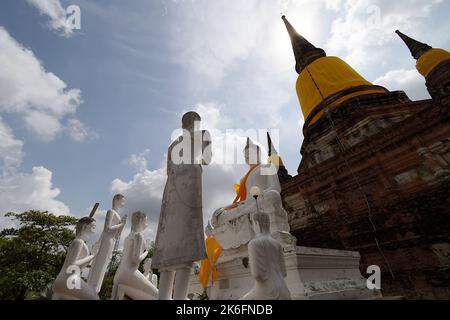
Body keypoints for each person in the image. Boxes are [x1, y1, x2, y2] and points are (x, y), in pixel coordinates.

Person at [152, 111, 212, 300]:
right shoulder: (203, 134)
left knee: (170, 247)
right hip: (189, 184)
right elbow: (207, 159)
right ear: (197, 122)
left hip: (171, 189)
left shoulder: (172, 145)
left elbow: (168, 170)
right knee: (185, 249)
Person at [112, 211, 158, 300]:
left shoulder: (128, 237)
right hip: (129, 273)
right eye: (146, 221)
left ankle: (123, 289)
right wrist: (147, 251)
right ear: (141, 220)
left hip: (118, 275)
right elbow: (136, 259)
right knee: (160, 295)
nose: (147, 224)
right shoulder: (138, 235)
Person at [88, 194, 127, 293]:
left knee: (104, 264)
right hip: (106, 240)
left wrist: (122, 226)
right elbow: (107, 228)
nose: (124, 202)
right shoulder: (111, 212)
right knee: (99, 264)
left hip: (111, 241)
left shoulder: (117, 214)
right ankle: (92, 287)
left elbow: (117, 235)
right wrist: (120, 224)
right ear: (116, 200)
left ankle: (96, 289)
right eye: (122, 200)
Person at [52, 217, 99, 300]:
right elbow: (72, 265)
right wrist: (92, 256)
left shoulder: (78, 241)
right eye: (93, 227)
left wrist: (91, 254)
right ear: (84, 227)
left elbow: (79, 266)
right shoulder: (79, 242)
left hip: (61, 280)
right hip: (69, 280)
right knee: (95, 298)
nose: (94, 229)